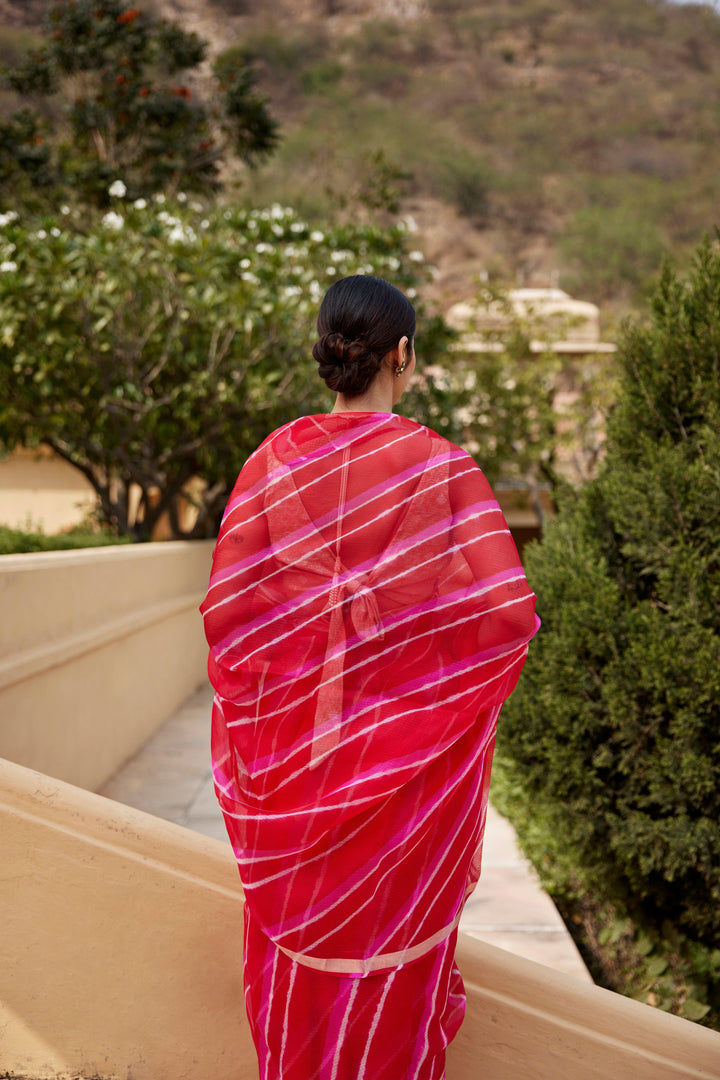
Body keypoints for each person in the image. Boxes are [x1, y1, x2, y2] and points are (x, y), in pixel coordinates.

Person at [201, 275, 539, 1080]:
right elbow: (509, 616)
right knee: (393, 973)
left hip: (298, 770)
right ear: (404, 356)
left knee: (300, 966)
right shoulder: (445, 469)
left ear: (330, 352)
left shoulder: (271, 464)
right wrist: (423, 677)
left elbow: (226, 614)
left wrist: (297, 658)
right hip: (402, 775)